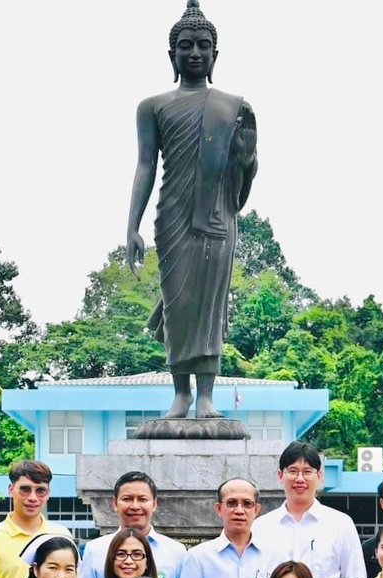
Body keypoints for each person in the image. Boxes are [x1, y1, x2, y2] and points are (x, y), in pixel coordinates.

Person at [125, 0, 257, 420]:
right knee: (178, 303)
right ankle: (180, 393)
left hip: (217, 218)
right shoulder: (152, 106)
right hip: (173, 217)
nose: (195, 53)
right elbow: (146, 165)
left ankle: (206, 396)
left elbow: (244, 172)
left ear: (215, 54)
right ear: (172, 55)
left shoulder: (233, 106)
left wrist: (246, 157)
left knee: (210, 304)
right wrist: (132, 226)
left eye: (203, 45)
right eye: (186, 46)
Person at [254, 442, 366, 578]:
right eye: (293, 471)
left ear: (319, 475)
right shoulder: (261, 527)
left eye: (307, 472)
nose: (300, 479)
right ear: (280, 475)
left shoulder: (341, 525)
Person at [77, 471, 188, 578]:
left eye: (142, 499)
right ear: (114, 503)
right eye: (127, 499)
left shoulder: (176, 552)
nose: (135, 506)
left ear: (154, 504)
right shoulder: (95, 549)